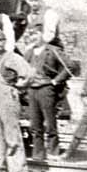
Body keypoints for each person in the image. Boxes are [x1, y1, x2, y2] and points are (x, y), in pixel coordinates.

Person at [24, 29, 69, 161]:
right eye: (31, 34)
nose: (33, 37)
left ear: (42, 35)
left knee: (50, 122)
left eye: (36, 34)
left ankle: (53, 152)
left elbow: (70, 67)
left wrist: (56, 81)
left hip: (46, 89)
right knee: (35, 124)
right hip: (32, 90)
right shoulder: (28, 53)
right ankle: (38, 154)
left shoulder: (53, 50)